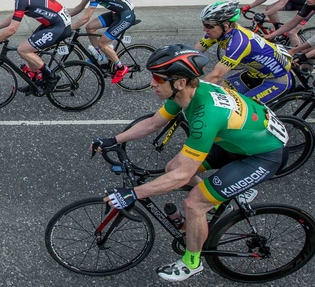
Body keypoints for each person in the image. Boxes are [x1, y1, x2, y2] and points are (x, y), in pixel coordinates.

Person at [92, 44, 286, 282]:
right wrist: (114, 139)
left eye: (157, 78)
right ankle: (214, 203)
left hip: (262, 156)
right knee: (172, 167)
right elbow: (154, 124)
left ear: (180, 82)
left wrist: (133, 193)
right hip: (236, 142)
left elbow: (183, 177)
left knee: (193, 203)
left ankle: (191, 262)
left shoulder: (206, 115)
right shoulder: (184, 93)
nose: (152, 83)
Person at [0, 0, 72, 93]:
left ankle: (51, 76)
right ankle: (35, 82)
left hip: (59, 26)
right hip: (53, 23)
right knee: (30, 47)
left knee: (23, 49)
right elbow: (15, 17)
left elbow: (12, 29)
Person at [195, 1, 292, 104]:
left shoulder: (239, 43)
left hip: (276, 80)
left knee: (243, 107)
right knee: (220, 92)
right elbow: (193, 53)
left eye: (209, 25)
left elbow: (216, 75)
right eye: (204, 24)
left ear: (226, 25)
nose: (204, 29)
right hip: (254, 74)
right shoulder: (218, 33)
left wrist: (190, 93)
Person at [66, 0, 135, 83]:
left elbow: (85, 18)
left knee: (103, 43)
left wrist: (67, 29)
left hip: (125, 16)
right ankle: (98, 54)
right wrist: (64, 16)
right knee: (90, 27)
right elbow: (80, 7)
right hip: (116, 13)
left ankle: (121, 67)